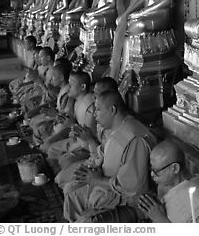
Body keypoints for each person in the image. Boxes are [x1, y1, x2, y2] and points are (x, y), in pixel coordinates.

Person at [63, 91, 156, 222]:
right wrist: (90, 170)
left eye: (99, 109)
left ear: (112, 110)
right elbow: (101, 154)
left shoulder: (135, 138)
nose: (95, 114)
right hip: (107, 188)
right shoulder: (117, 130)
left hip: (132, 203)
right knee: (71, 196)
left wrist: (96, 180)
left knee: (86, 222)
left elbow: (132, 188)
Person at [54, 77, 118, 188]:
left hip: (101, 167)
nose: (94, 97)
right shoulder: (98, 112)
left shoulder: (111, 122)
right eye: (94, 93)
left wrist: (88, 139)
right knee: (60, 177)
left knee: (66, 183)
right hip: (91, 154)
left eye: (98, 95)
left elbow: (102, 157)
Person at [138, 140, 199, 223]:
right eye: (151, 168)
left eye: (156, 171)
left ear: (175, 168)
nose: (152, 174)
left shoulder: (194, 198)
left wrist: (160, 218)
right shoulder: (164, 185)